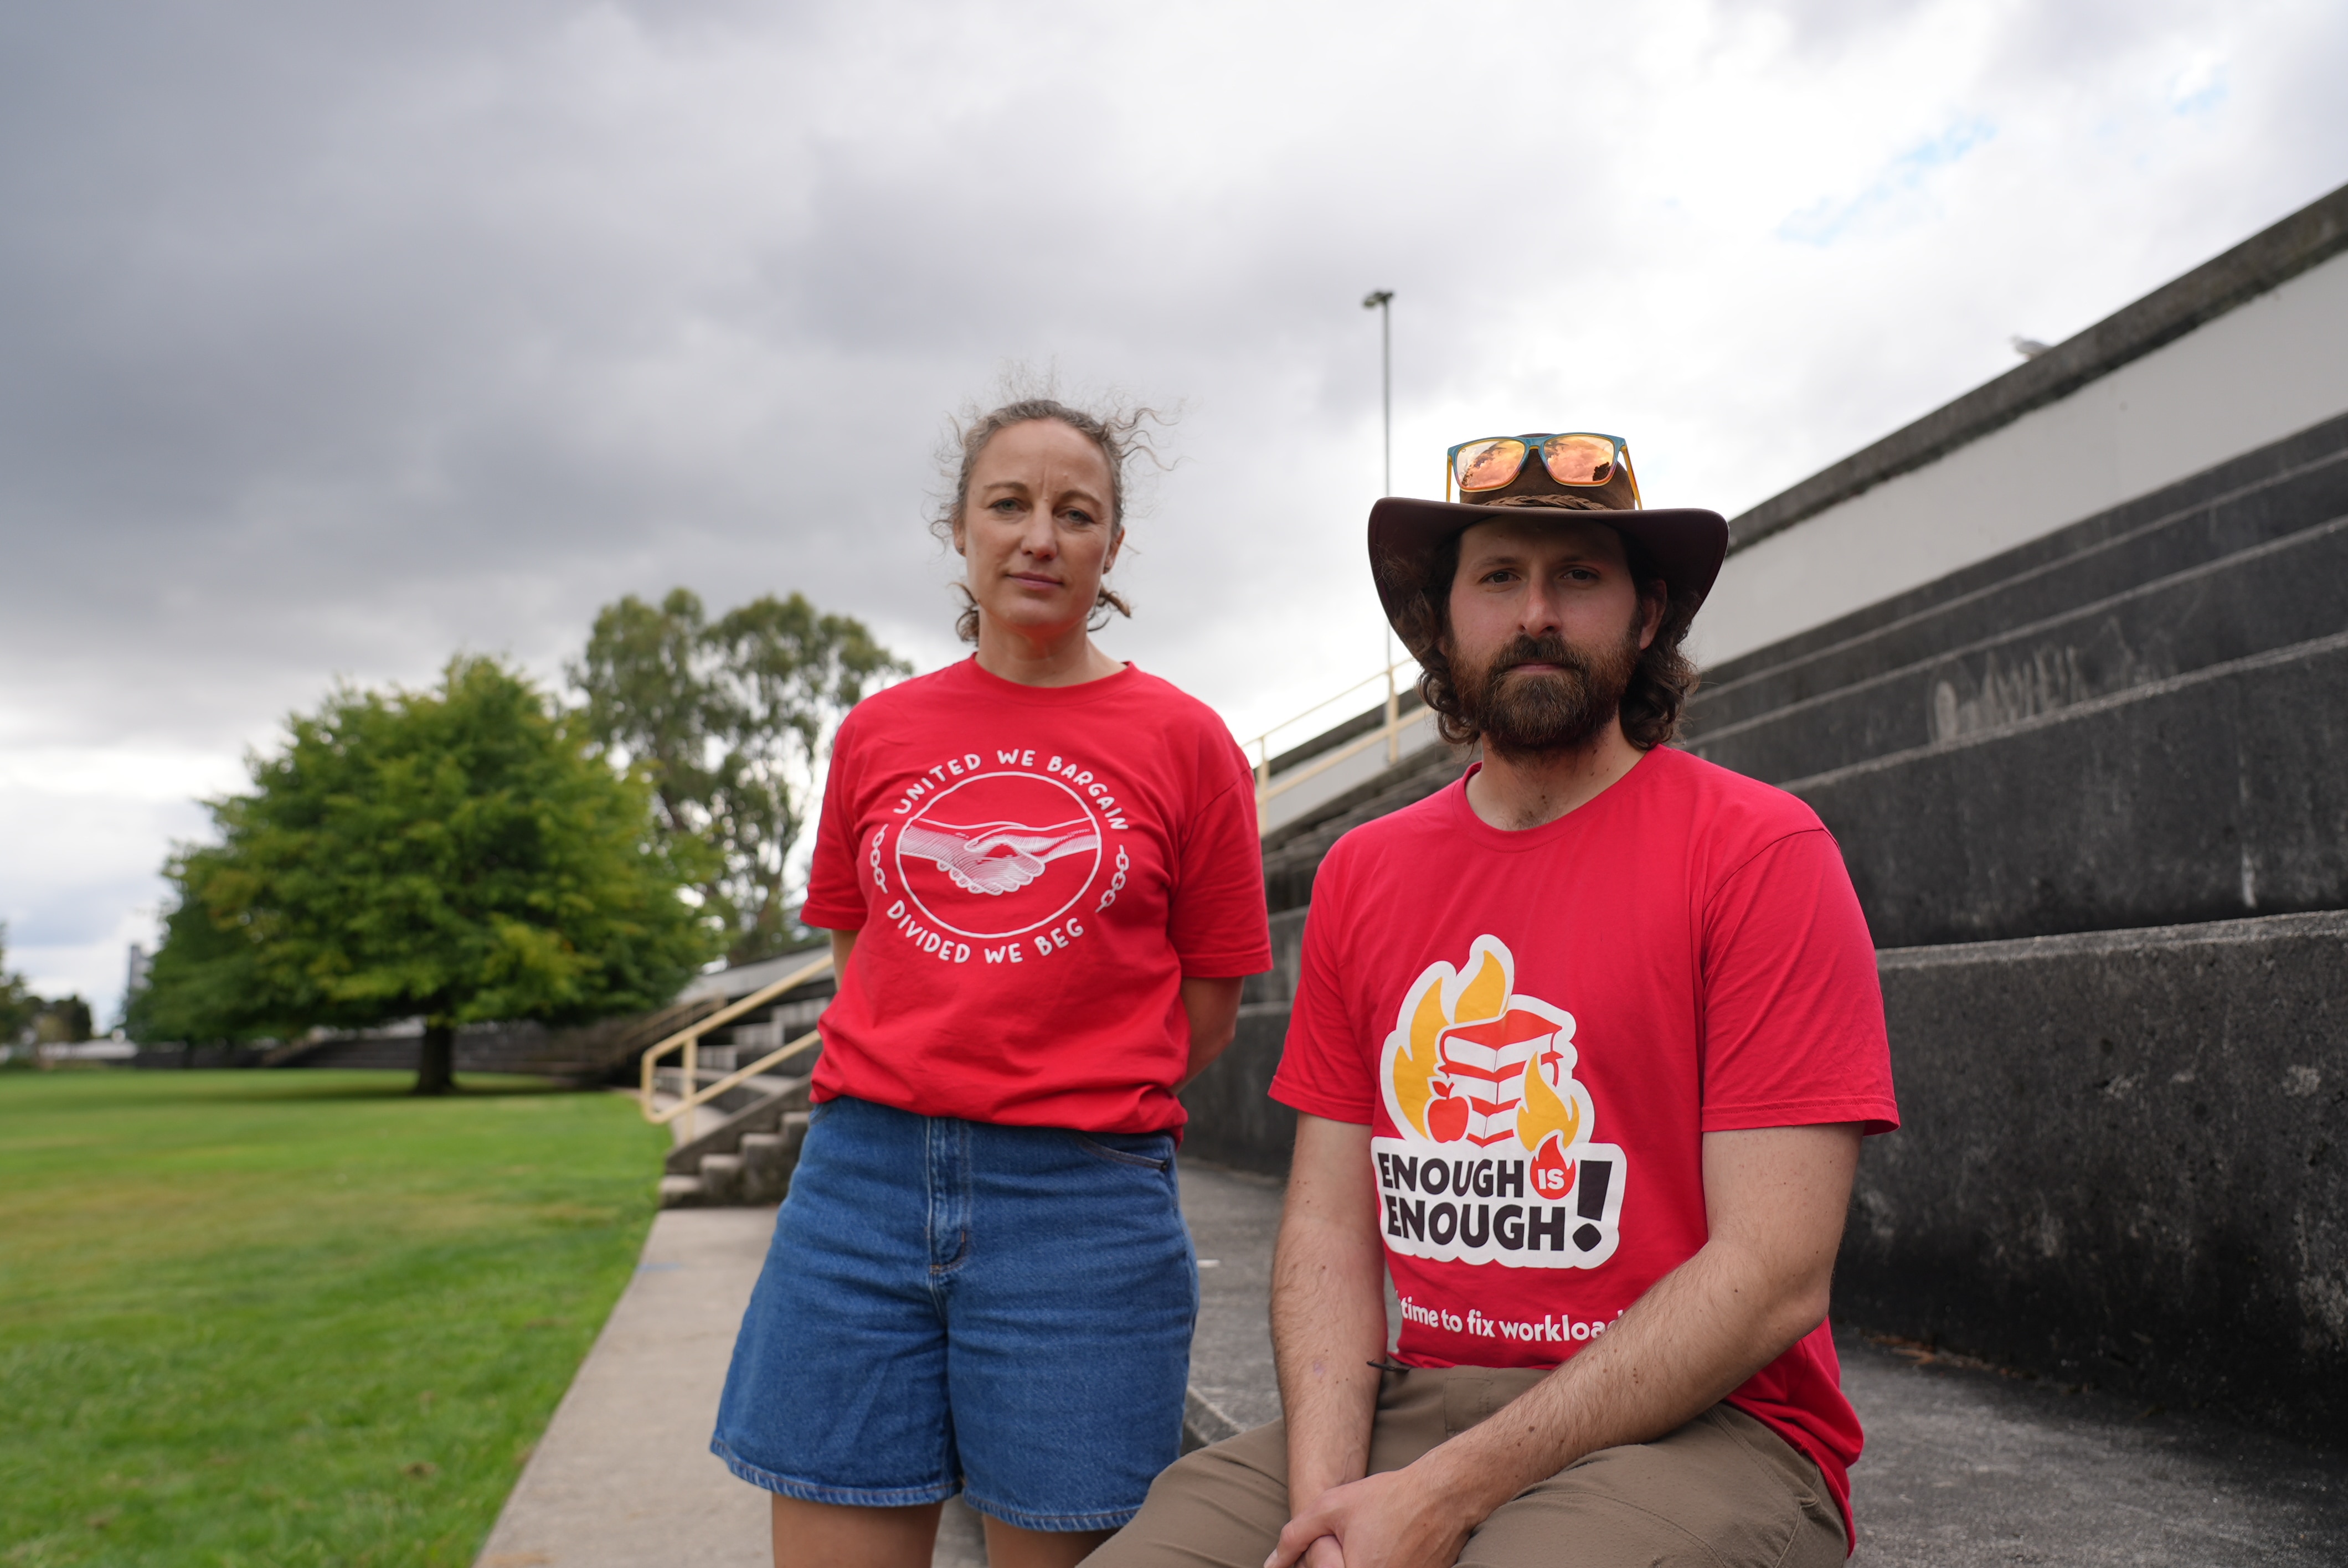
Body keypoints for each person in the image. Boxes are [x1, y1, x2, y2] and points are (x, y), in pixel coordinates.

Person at [1093, 431, 1900, 1567]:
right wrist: (1330, 1507)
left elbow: (1770, 1276)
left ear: (1646, 616)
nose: (1536, 613)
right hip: (1408, 1408)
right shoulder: (1364, 872)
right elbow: (1328, 1225)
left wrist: (1442, 1494)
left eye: (1578, 577)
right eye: (1496, 578)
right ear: (1440, 622)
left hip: (1703, 1427)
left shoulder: (1757, 851)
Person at [711, 398, 1274, 1568]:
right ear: (957, 529)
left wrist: (1056, 1079)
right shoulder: (876, 734)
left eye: (1076, 514)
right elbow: (859, 955)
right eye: (1007, 505)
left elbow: (1208, 1005)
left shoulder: (1187, 743)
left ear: (1110, 547)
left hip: (1082, 1210)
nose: (1039, 537)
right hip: (856, 1191)